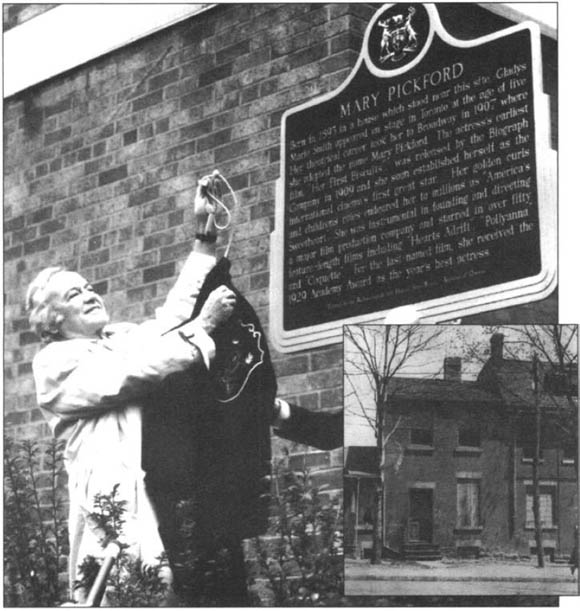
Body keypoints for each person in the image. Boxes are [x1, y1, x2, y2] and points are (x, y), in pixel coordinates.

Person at [26, 177, 234, 603]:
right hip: (115, 511)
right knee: (126, 593)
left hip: (158, 498)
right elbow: (135, 371)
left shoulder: (117, 338)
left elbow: (171, 320)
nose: (89, 294)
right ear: (51, 318)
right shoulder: (55, 365)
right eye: (73, 293)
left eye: (88, 287)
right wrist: (205, 328)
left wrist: (204, 238)